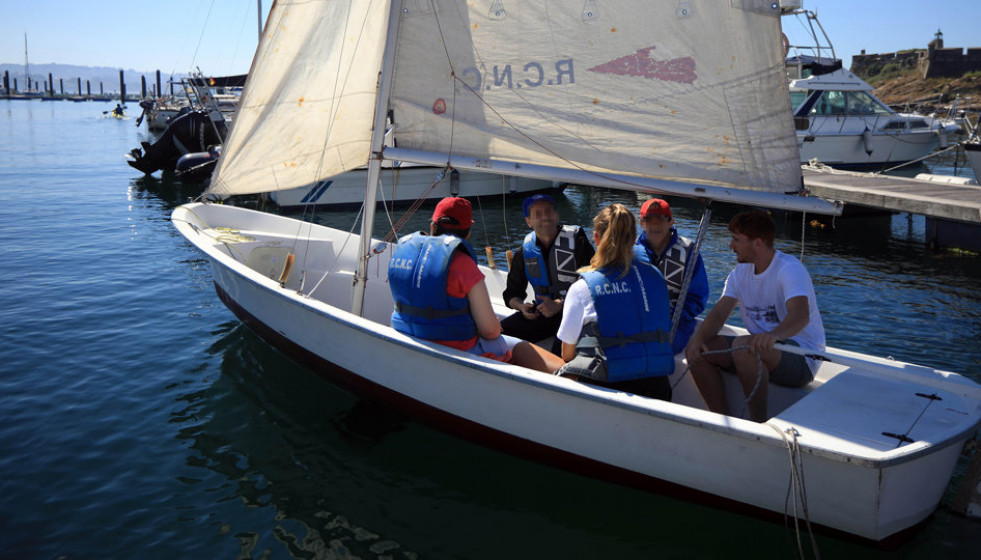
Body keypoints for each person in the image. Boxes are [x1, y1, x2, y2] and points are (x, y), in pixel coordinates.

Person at [389, 197, 561, 372]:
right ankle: (567, 380)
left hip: (405, 335)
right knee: (520, 346)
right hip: (455, 348)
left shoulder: (403, 251)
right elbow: (490, 332)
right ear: (468, 233)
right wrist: (493, 324)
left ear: (432, 227)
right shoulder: (463, 264)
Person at [684, 211, 825, 422]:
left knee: (744, 347)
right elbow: (720, 312)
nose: (731, 246)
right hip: (761, 349)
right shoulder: (739, 274)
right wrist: (698, 340)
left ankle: (756, 422)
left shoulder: (789, 269)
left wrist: (775, 335)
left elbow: (800, 315)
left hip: (802, 357)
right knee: (699, 351)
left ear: (757, 243)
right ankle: (721, 420)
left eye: (736, 240)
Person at [555, 204, 675, 400]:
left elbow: (567, 355)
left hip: (606, 391)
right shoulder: (656, 277)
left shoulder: (583, 288)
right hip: (658, 389)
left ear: (596, 237)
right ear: (634, 239)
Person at [501, 194, 595, 353]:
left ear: (557, 216)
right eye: (538, 214)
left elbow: (592, 286)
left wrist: (559, 304)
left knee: (561, 353)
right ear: (528, 221)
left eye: (549, 211)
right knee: (499, 333)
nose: (545, 216)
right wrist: (521, 307)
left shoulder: (577, 241)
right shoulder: (524, 251)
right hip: (541, 315)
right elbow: (511, 294)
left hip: (575, 315)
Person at [634, 198, 709, 355]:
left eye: (660, 220)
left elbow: (697, 297)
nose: (655, 225)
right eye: (649, 220)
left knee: (657, 346)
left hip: (676, 324)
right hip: (639, 320)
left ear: (671, 222)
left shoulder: (689, 252)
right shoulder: (631, 252)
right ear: (641, 223)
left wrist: (671, 318)